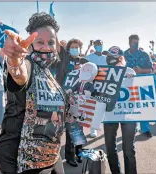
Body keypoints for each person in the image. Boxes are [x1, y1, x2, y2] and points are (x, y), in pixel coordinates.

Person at [0, 12, 68, 174]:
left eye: (51, 42)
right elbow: (20, 74)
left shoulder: (49, 72)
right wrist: (15, 60)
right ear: (30, 45)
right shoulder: (28, 64)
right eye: (39, 42)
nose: (46, 47)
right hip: (22, 157)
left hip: (51, 154)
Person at [103, 46, 137, 174]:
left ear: (122, 58)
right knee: (110, 149)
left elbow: (137, 92)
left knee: (129, 149)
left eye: (114, 58)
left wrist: (131, 79)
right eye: (109, 58)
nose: (110, 60)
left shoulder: (130, 71)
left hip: (128, 115)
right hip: (109, 113)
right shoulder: (103, 73)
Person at [64, 38, 88, 167]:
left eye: (76, 46)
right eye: (72, 47)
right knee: (70, 127)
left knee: (80, 127)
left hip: (82, 99)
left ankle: (79, 152)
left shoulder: (85, 61)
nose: (74, 49)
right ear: (68, 49)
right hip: (69, 98)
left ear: (80, 48)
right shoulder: (65, 61)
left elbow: (93, 75)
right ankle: (69, 155)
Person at [124, 34, 153, 138]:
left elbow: (150, 70)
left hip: (142, 84)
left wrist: (140, 70)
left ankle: (145, 129)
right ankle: (133, 128)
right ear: (129, 43)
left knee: (143, 107)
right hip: (128, 85)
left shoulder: (144, 54)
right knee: (131, 107)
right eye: (134, 42)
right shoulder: (124, 55)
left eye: (137, 42)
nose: (136, 44)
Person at [85, 39, 107, 138]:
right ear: (94, 46)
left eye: (100, 44)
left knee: (104, 106)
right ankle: (93, 129)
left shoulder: (106, 58)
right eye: (97, 45)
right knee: (94, 106)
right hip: (93, 84)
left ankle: (102, 126)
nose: (98, 46)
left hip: (105, 84)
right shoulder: (89, 57)